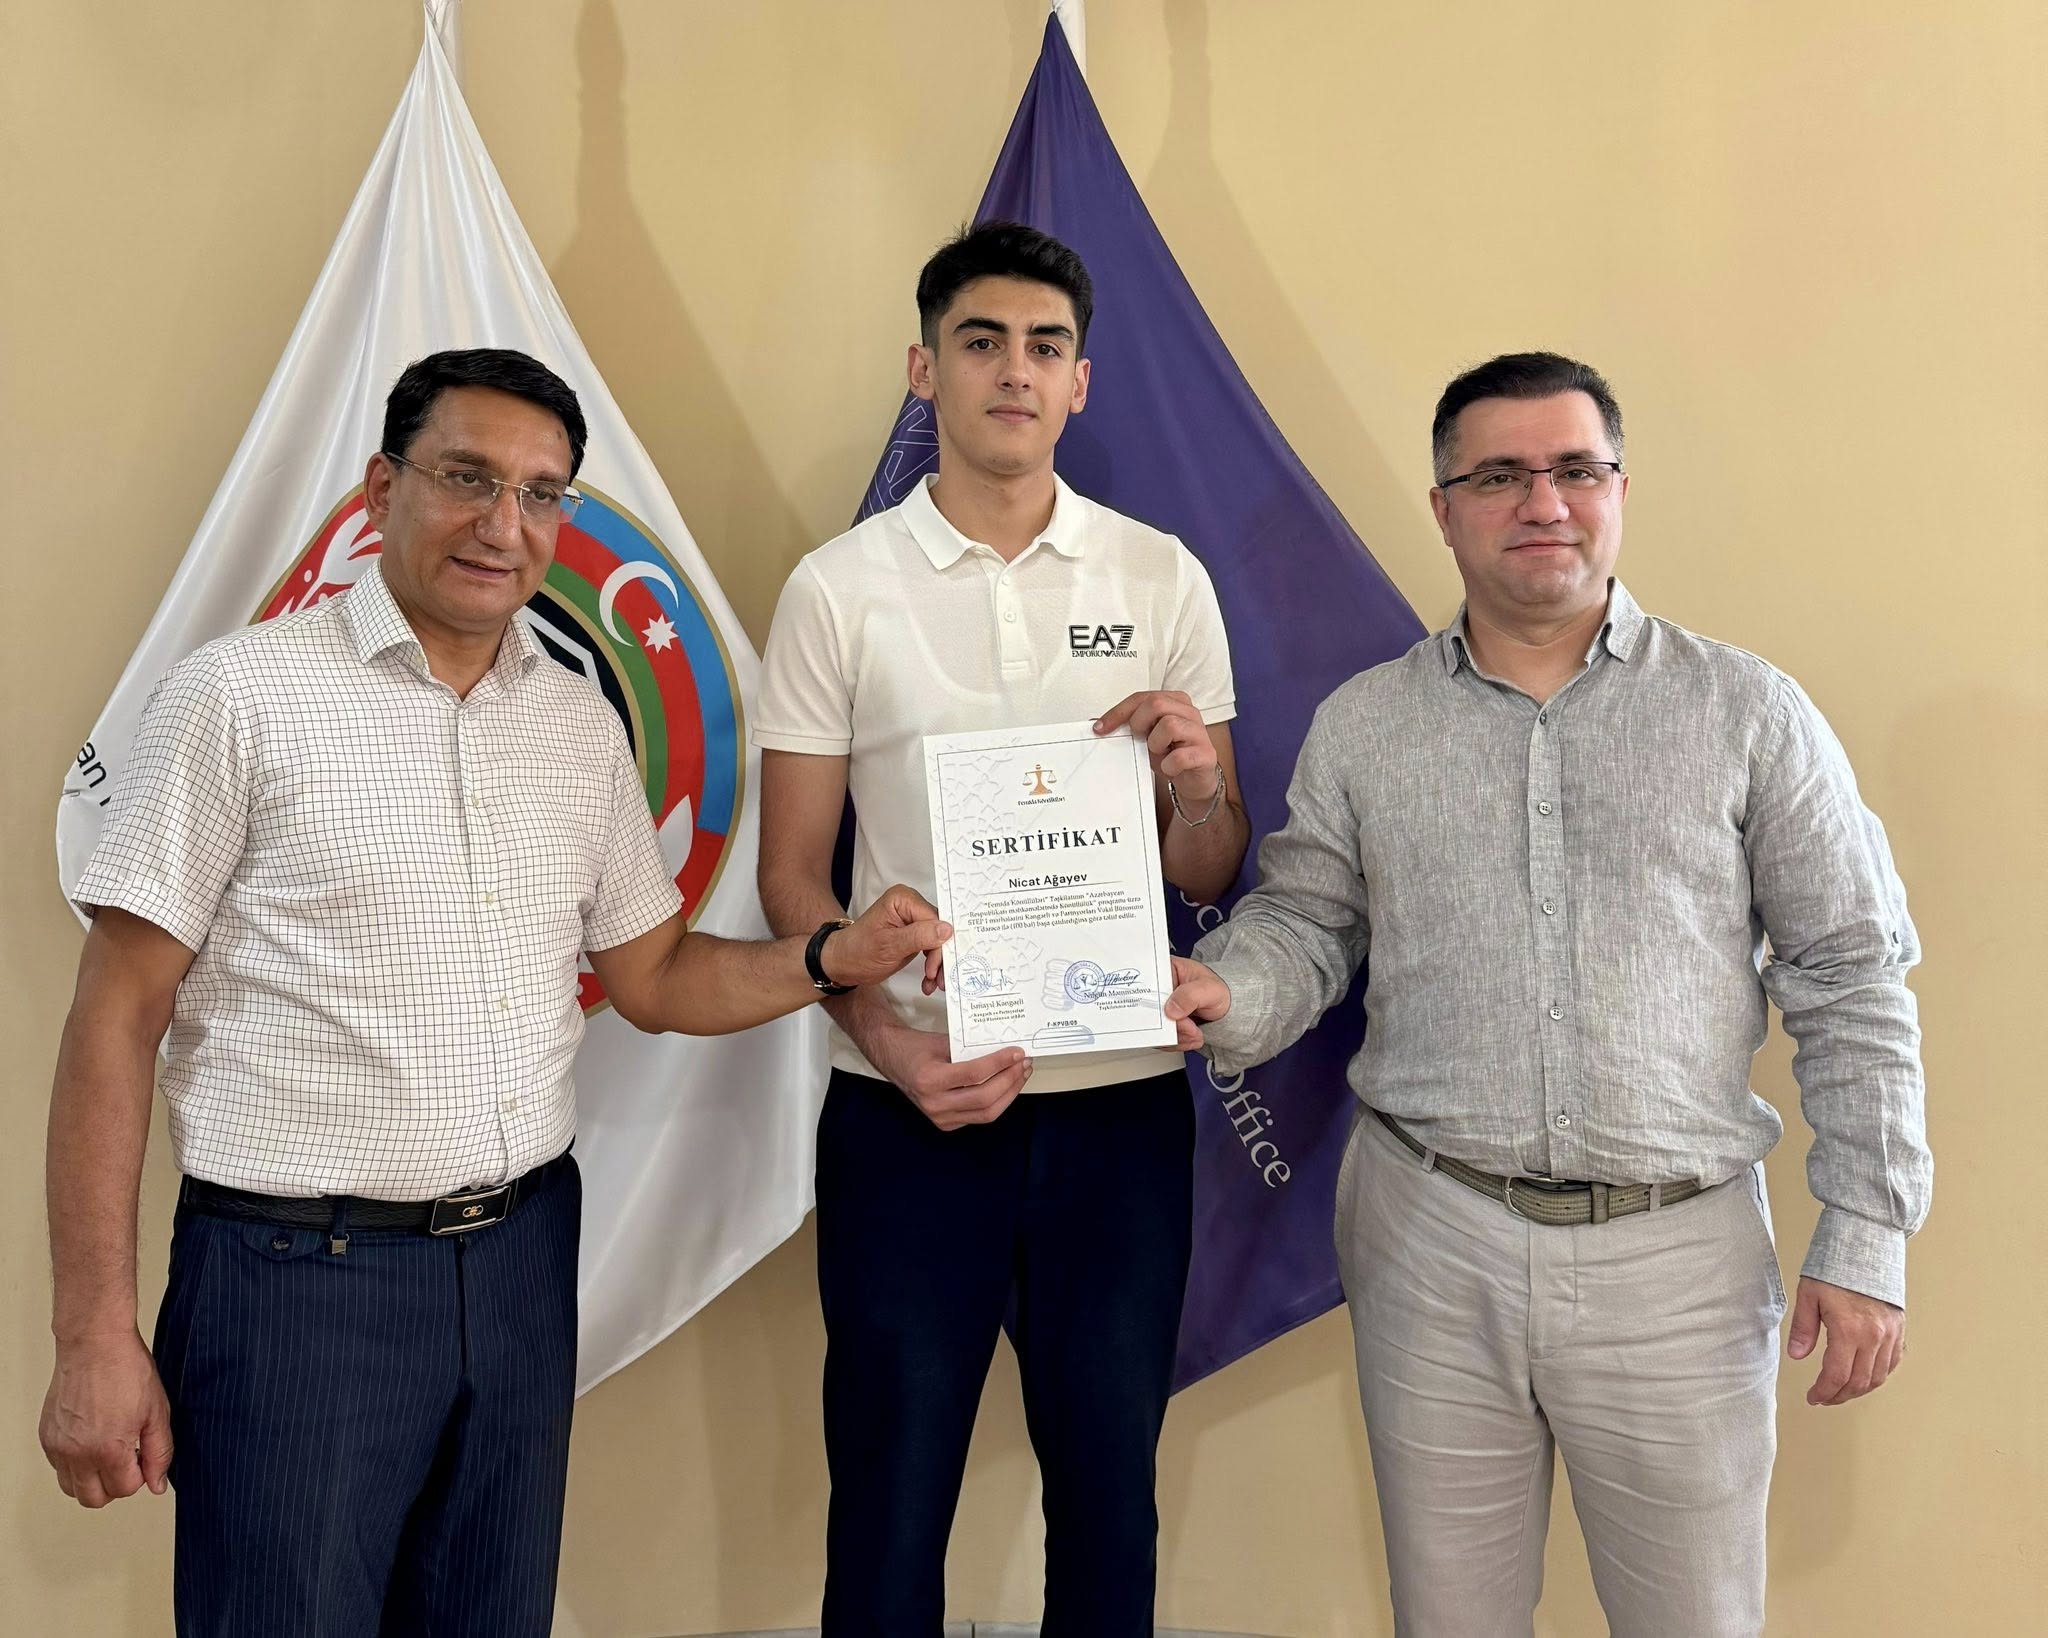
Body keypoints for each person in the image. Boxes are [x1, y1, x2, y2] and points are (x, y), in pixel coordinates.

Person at [39, 347, 949, 1638]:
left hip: (519, 1268)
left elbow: (656, 977)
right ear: (381, 490)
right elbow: (113, 1016)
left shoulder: (577, 725)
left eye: (539, 493)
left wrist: (829, 959)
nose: (502, 523)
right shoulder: (239, 695)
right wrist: (93, 1336)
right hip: (297, 1284)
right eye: (466, 478)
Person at [1165, 352, 1931, 1636]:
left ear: (1618, 490)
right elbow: (1306, 924)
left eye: (1576, 469)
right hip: (1429, 1241)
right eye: (1499, 476)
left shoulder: (1747, 712)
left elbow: (1850, 975)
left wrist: (1864, 1234)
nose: (1542, 502)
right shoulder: (1366, 725)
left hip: (1678, 1261)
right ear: (1443, 507)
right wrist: (1227, 992)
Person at [754, 222, 1249, 1635]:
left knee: (1107, 1498)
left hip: (1119, 1111)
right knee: (888, 1498)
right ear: (925, 370)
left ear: (1081, 381)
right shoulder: (839, 586)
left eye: (1044, 346)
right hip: (908, 1108)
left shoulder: (1159, 576)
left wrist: (1196, 783)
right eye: (980, 342)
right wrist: (891, 1047)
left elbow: (1209, 860)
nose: (1013, 371)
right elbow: (794, 881)